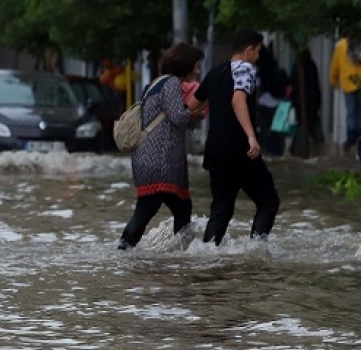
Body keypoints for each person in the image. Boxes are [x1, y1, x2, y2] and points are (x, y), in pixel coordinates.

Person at [186, 29, 281, 246]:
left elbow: (192, 105)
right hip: (240, 149)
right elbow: (238, 101)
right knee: (268, 201)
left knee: (221, 208)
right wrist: (251, 137)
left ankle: (206, 253)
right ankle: (256, 251)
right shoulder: (247, 69)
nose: (258, 56)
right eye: (257, 51)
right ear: (248, 50)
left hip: (215, 151)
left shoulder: (216, 72)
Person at [118, 42, 206, 250]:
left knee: (155, 209)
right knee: (171, 209)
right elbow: (178, 117)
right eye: (196, 65)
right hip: (161, 161)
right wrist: (196, 113)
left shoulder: (154, 84)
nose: (198, 70)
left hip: (145, 158)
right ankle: (181, 254)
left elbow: (168, 118)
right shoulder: (172, 84)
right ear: (185, 64)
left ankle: (125, 251)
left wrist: (191, 116)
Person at [329, 37, 361, 157]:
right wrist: (333, 80)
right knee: (353, 115)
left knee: (353, 115)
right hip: (350, 85)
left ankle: (352, 138)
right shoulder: (341, 46)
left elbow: (335, 66)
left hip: (351, 85)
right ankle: (352, 137)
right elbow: (335, 65)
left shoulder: (341, 45)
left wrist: (333, 81)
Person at [290, 48, 323, 158]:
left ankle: (296, 150)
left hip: (304, 105)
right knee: (311, 127)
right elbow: (316, 87)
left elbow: (294, 87)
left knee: (303, 127)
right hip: (311, 105)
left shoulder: (298, 67)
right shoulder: (310, 66)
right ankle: (318, 149)